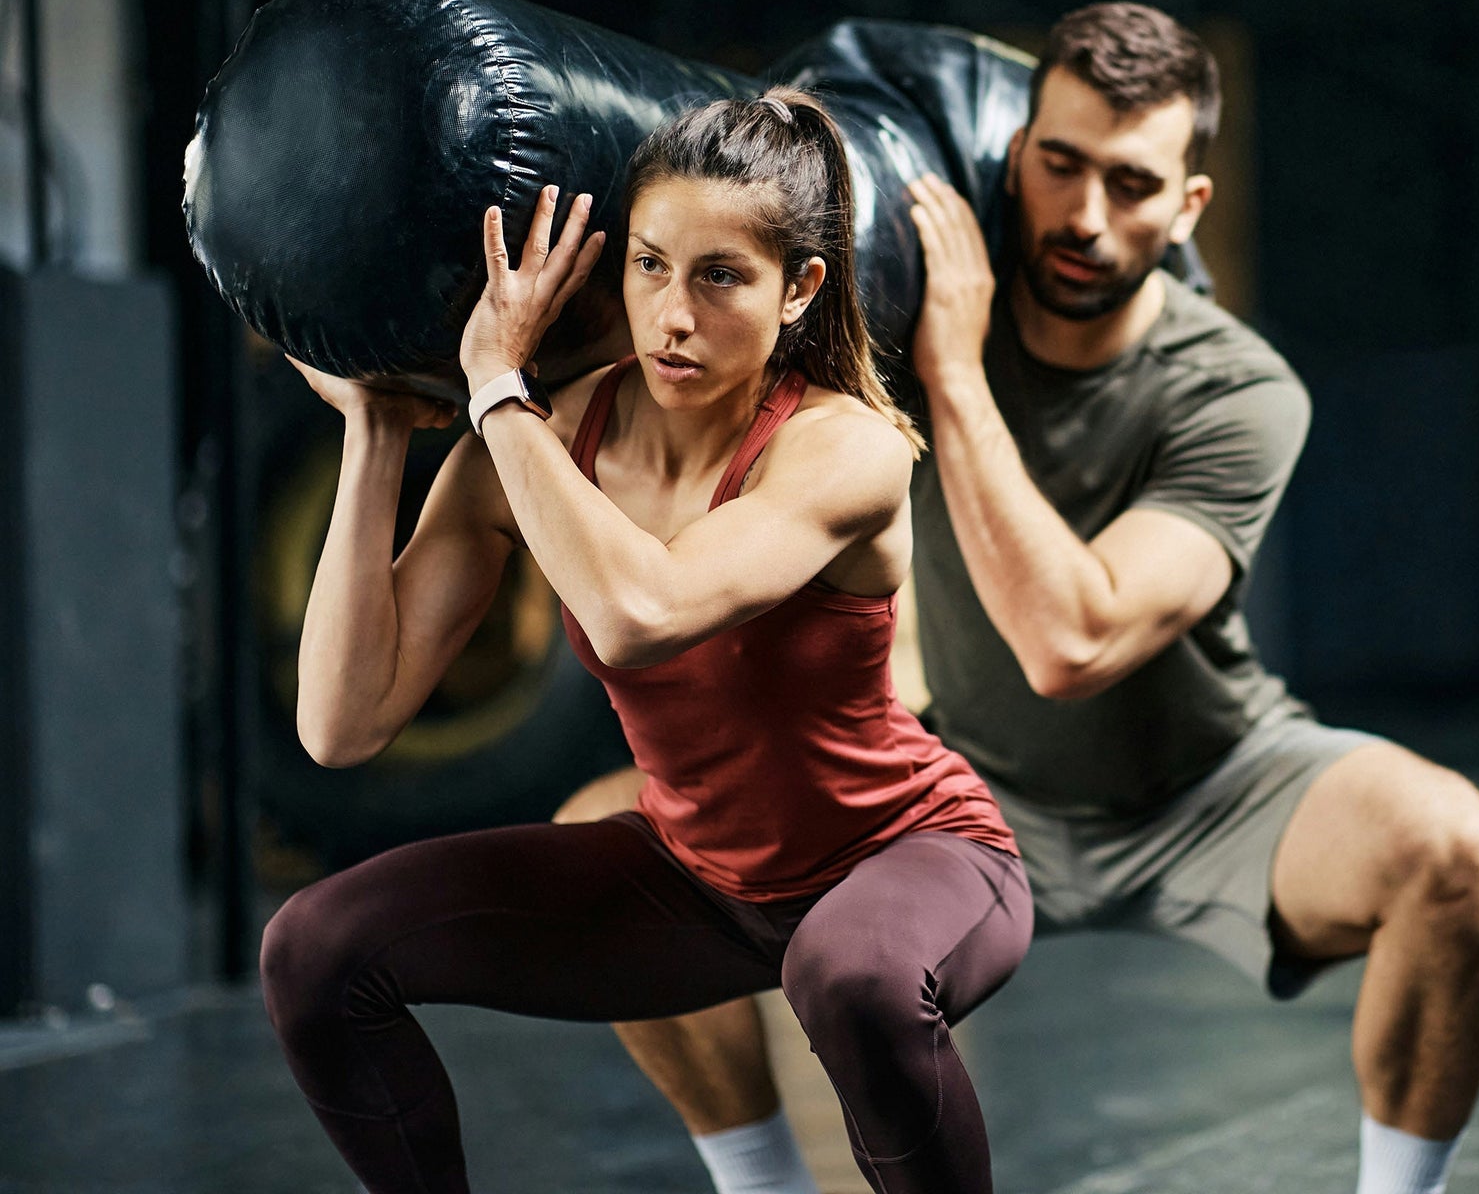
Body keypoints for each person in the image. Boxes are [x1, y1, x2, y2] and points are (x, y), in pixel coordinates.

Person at [564, 5, 1479, 1194]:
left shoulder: (1237, 387)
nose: (1084, 216)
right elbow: (708, 261)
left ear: (1188, 206)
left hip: (1204, 782)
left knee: (1450, 847)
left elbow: (1076, 642)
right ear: (1014, 155)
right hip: (950, 787)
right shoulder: (888, 311)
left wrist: (957, 379)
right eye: (1060, 164)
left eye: (1131, 183)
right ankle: (762, 1184)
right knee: (605, 835)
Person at [258, 88, 1033, 1194]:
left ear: (799, 288)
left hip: (909, 858)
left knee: (849, 978)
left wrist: (497, 390)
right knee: (315, 949)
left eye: (720, 277)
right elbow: (340, 724)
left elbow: (643, 614)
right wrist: (375, 432)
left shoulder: (843, 447)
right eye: (650, 266)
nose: (672, 315)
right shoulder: (541, 441)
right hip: (698, 881)